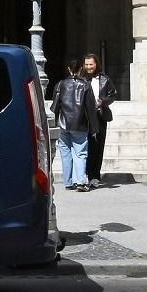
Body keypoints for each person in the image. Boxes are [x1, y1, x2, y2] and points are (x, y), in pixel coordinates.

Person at [52, 58, 97, 192]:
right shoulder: (85, 85)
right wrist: (94, 127)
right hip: (80, 124)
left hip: (63, 123)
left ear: (68, 69)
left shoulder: (60, 84)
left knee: (65, 153)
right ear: (81, 69)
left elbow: (55, 106)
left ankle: (68, 182)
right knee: (80, 153)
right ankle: (80, 182)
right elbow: (90, 108)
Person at [81, 54, 116, 186]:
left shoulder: (104, 79)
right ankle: (83, 175)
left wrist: (103, 101)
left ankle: (95, 176)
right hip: (84, 116)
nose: (88, 67)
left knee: (98, 146)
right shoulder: (81, 79)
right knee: (85, 146)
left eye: (91, 64)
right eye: (86, 64)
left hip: (99, 115)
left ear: (96, 64)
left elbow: (113, 94)